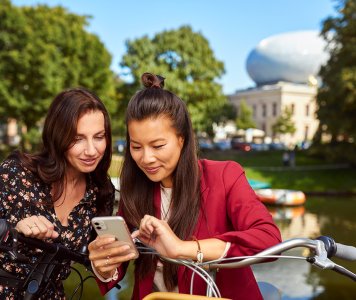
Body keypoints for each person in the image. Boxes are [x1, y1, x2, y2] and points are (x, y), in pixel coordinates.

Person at [88, 73, 282, 300]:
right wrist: (104, 267)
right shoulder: (136, 189)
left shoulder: (225, 175)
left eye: (158, 145)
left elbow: (268, 239)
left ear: (182, 139)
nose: (146, 158)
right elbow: (118, 267)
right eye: (136, 146)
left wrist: (182, 248)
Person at [0, 87, 115, 299]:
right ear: (58, 136)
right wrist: (14, 229)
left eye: (98, 137)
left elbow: (95, 260)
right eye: (78, 138)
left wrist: (107, 265)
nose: (91, 150)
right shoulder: (16, 172)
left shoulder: (101, 190)